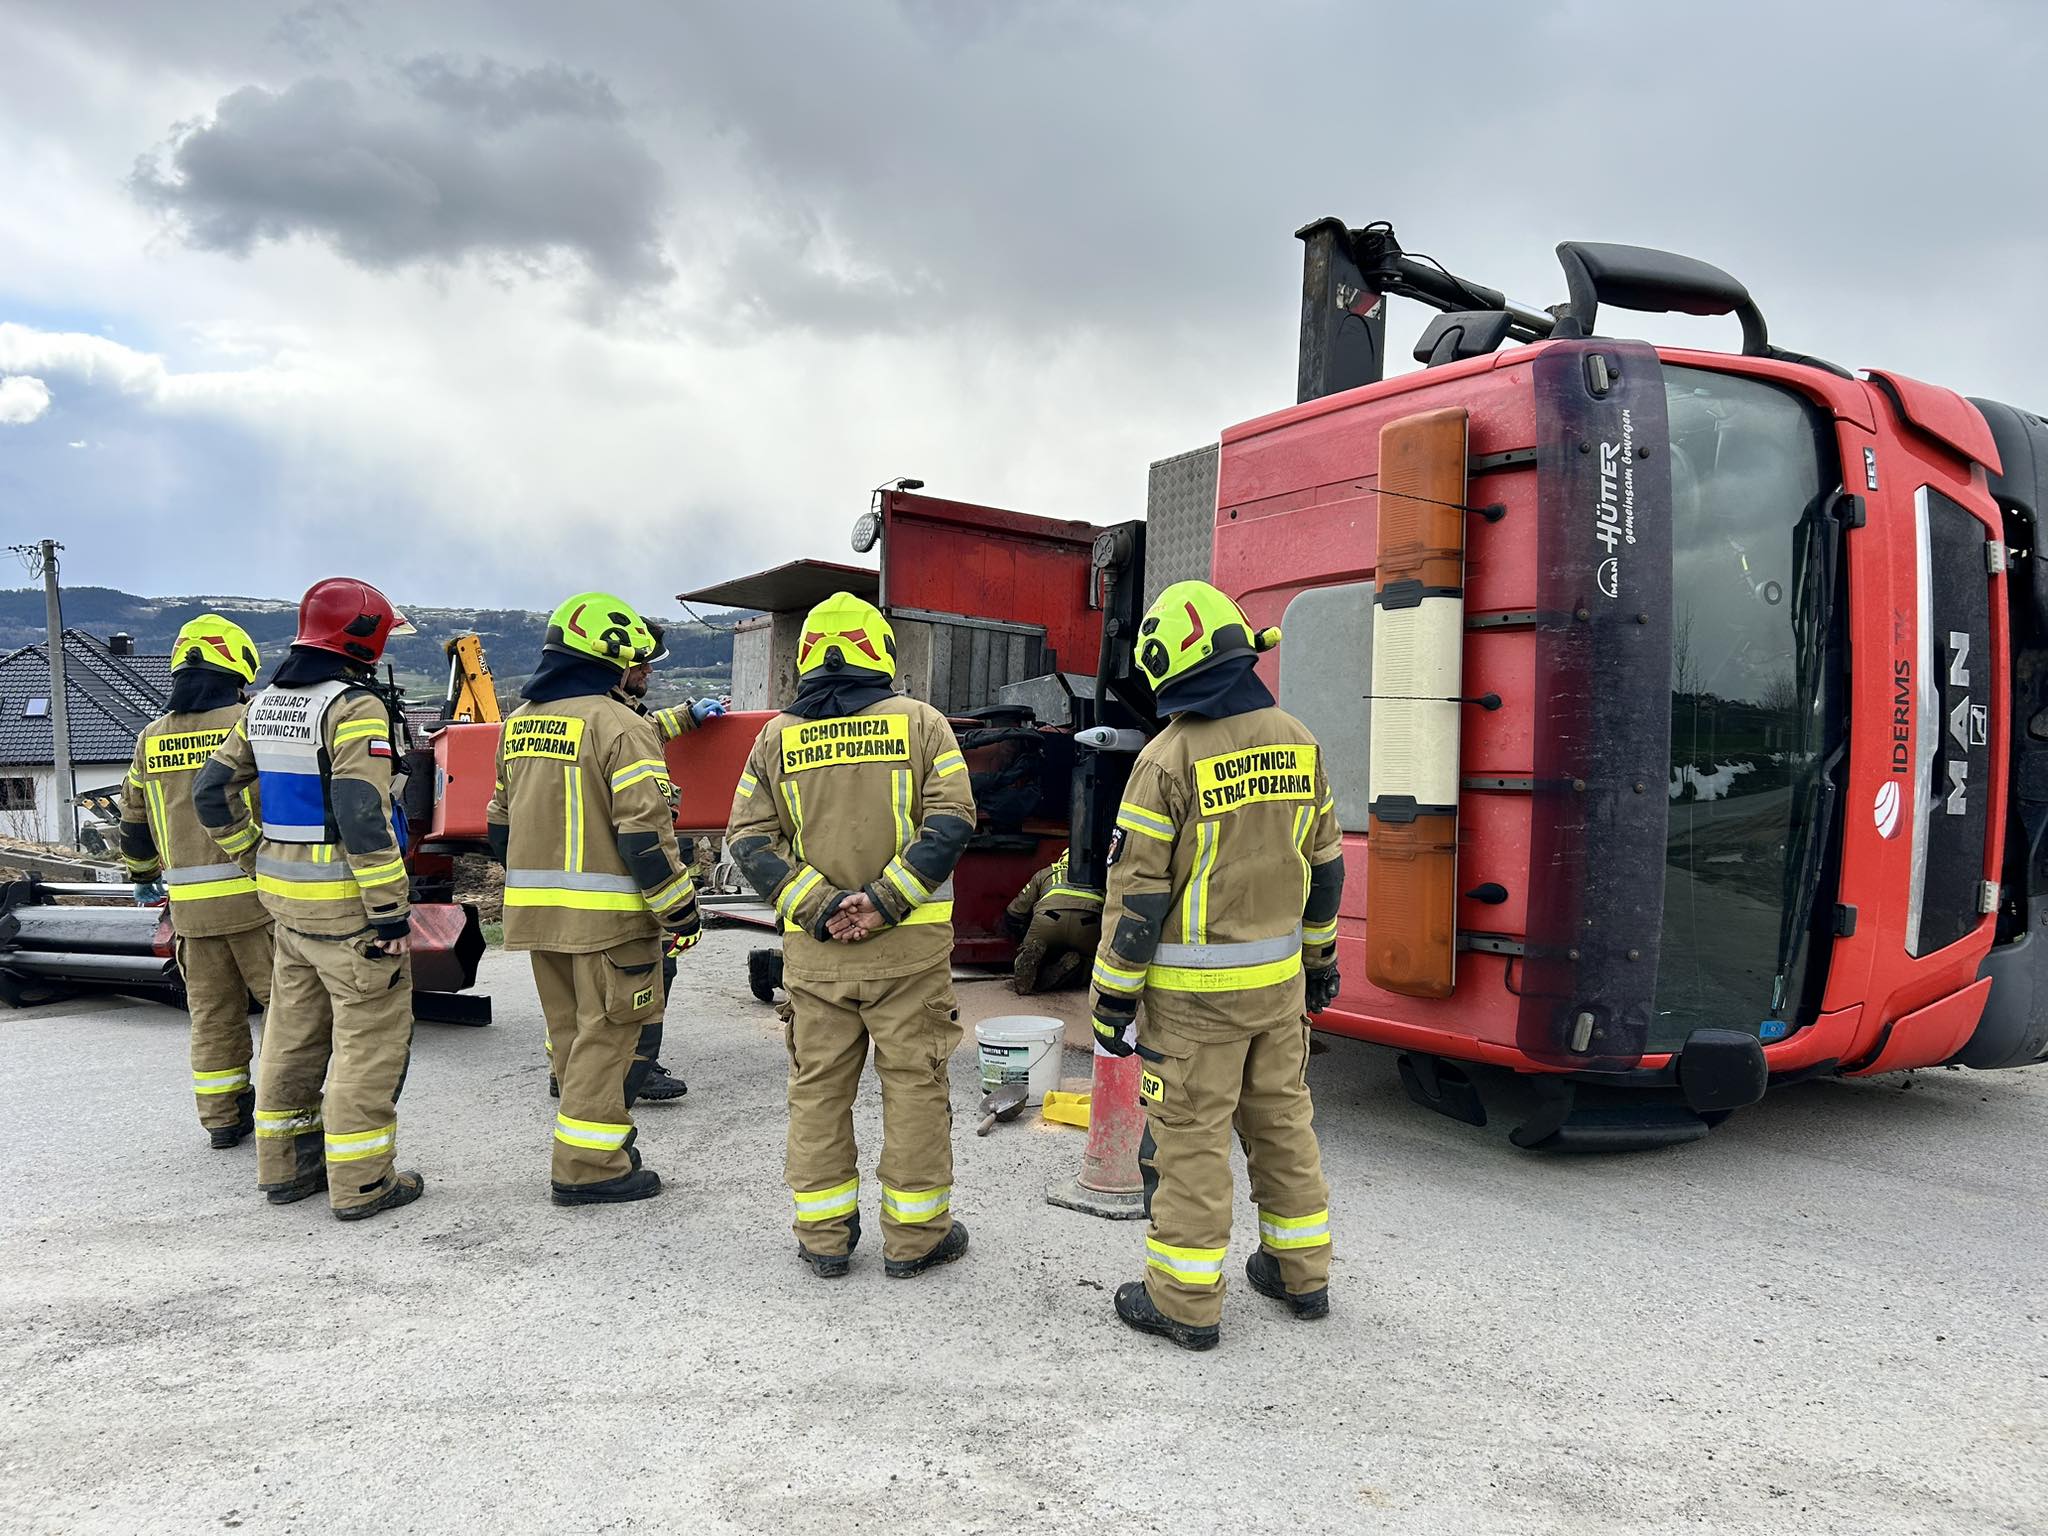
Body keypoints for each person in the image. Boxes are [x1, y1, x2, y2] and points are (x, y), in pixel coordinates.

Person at [1088, 580, 1345, 1351]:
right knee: (1283, 1126)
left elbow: (1136, 901)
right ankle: (1303, 1276)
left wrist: (1111, 998)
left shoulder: (1168, 759)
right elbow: (1325, 870)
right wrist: (1320, 959)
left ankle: (1184, 1304)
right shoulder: (1299, 740)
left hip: (1195, 1009)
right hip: (1278, 993)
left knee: (1189, 1143)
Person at [726, 591, 976, 1280]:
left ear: (807, 657)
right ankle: (916, 1240)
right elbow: (953, 821)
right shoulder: (922, 724)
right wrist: (883, 902)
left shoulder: (775, 737)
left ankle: (824, 1239)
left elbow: (748, 840)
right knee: (916, 1091)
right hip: (909, 958)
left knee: (817, 1093)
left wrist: (821, 907)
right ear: (880, 653)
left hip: (816, 959)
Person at [193, 577, 424, 1221]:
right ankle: (363, 1183)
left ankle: (287, 1168)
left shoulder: (263, 704)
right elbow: (361, 812)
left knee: (292, 1037)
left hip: (285, 905)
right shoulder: (353, 708)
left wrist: (253, 855)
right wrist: (389, 910)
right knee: (367, 1046)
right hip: (350, 911)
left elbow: (211, 794)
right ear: (365, 639)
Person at [486, 592, 703, 1206]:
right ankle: (589, 1167)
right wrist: (680, 910)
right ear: (609, 656)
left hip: (535, 916)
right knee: (610, 1039)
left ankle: (594, 1140)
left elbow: (499, 826)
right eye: (641, 661)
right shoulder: (622, 726)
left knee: (570, 1037)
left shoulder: (521, 720)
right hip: (609, 925)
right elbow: (644, 835)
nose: (648, 671)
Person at [119, 615, 274, 1149]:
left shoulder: (151, 737)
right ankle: (290, 1112)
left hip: (189, 911)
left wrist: (143, 878)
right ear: (238, 665)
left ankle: (223, 1119)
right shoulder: (251, 721)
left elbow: (133, 823)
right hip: (259, 901)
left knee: (212, 1019)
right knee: (288, 1012)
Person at [1002, 848, 1102, 993]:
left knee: (1031, 950)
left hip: (1048, 920)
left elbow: (1015, 911)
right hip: (1088, 924)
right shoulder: (1099, 875)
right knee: (1093, 966)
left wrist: (1022, 936)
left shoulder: (1046, 872)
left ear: (1062, 858)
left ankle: (1033, 966)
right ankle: (1078, 968)